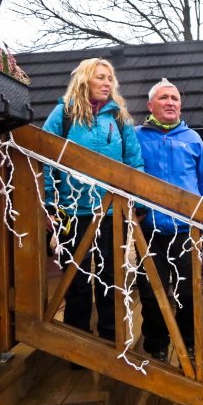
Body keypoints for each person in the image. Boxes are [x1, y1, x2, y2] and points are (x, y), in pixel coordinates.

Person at [43, 58, 145, 347]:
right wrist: (51, 202)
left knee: (110, 276)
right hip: (72, 211)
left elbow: (134, 162)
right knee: (75, 278)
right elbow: (45, 156)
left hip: (111, 211)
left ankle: (111, 339)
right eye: (101, 77)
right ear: (86, 80)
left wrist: (137, 202)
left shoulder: (119, 117)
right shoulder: (64, 113)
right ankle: (79, 342)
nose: (107, 83)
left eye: (110, 79)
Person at [135, 78, 203, 362]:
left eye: (175, 98)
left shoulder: (192, 138)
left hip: (188, 232)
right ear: (150, 105)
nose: (170, 102)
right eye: (164, 98)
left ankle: (189, 345)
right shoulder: (136, 136)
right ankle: (156, 346)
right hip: (149, 229)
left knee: (189, 292)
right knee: (150, 291)